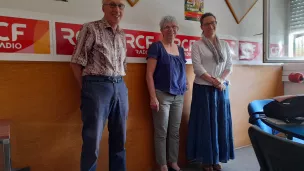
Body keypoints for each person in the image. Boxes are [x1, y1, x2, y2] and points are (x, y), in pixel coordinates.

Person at [70, 0, 128, 171]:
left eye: (120, 5)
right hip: (96, 86)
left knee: (120, 139)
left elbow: (123, 65)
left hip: (120, 86)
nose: (116, 9)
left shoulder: (123, 34)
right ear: (103, 7)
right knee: (92, 141)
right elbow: (75, 63)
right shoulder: (90, 28)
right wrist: (87, 89)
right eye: (112, 4)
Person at [186, 12, 235, 171]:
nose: (211, 26)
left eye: (213, 22)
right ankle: (207, 160)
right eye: (207, 24)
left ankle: (216, 159)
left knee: (220, 124)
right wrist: (214, 81)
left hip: (221, 89)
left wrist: (220, 80)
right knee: (205, 125)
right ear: (201, 27)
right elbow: (198, 68)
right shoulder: (197, 45)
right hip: (203, 90)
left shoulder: (225, 45)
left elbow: (229, 66)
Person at [146, 15, 189, 171]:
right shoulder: (156, 47)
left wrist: (186, 82)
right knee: (161, 131)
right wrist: (152, 97)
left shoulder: (181, 50)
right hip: (161, 95)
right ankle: (163, 164)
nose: (171, 30)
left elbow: (182, 70)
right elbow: (149, 75)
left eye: (174, 27)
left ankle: (173, 161)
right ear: (162, 30)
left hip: (179, 95)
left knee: (175, 132)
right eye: (167, 27)